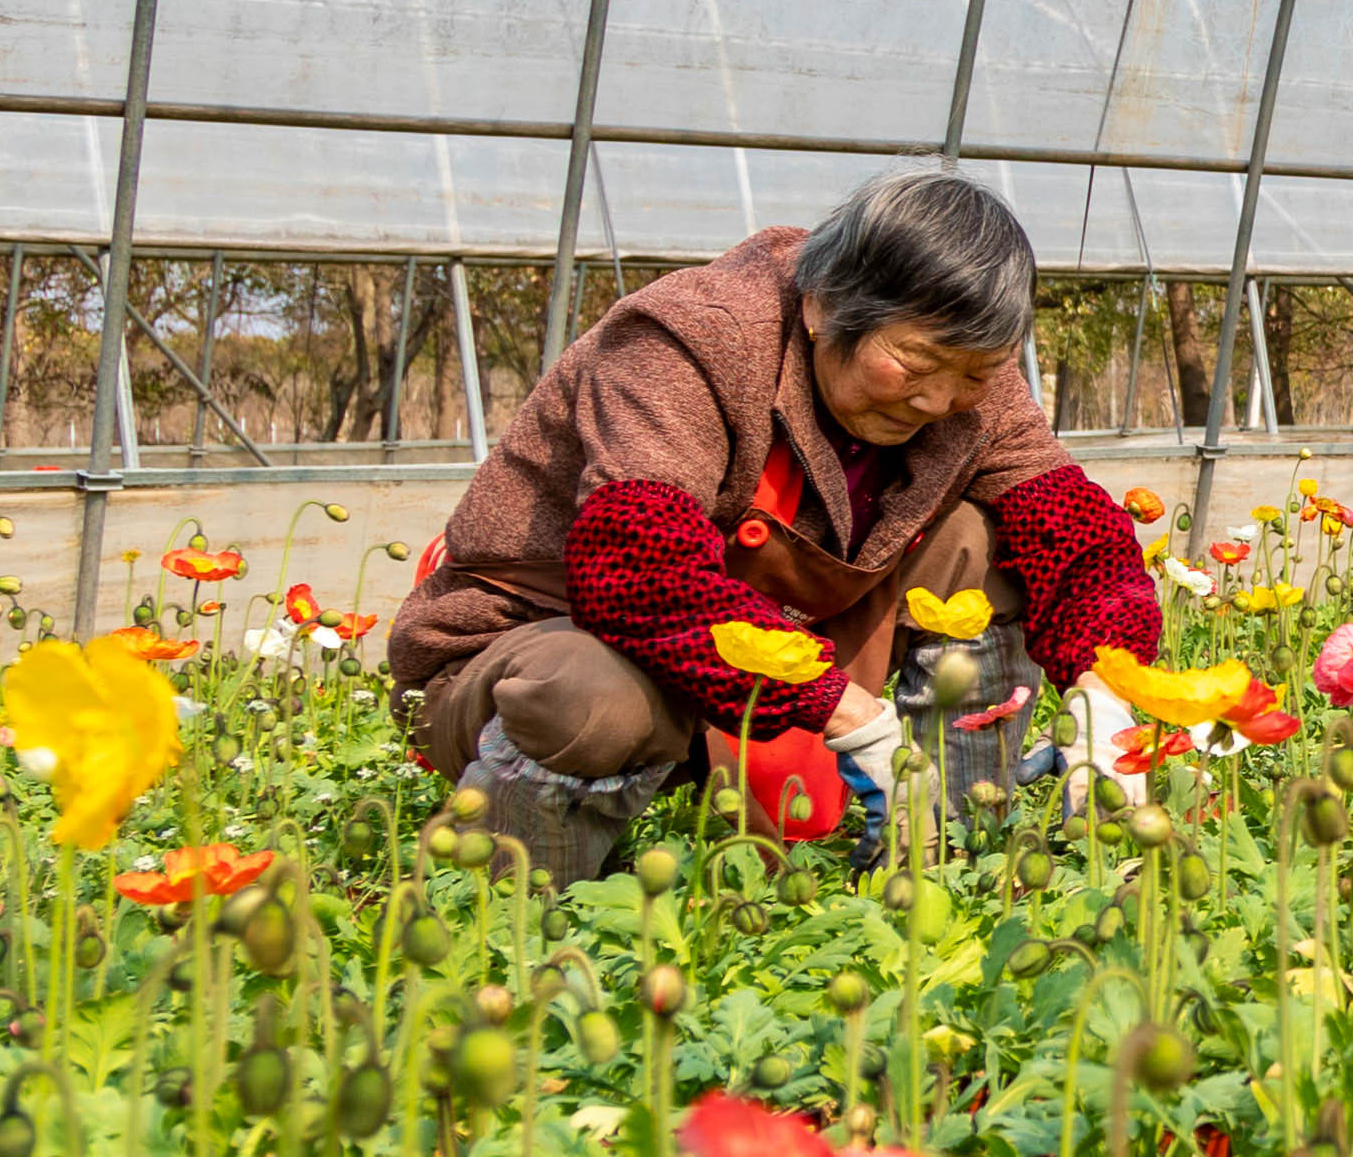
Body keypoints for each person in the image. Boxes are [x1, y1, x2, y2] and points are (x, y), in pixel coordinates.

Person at [385, 171, 1163, 878]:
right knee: (596, 699)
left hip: (765, 655)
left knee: (984, 544)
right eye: (918, 363)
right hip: (541, 645)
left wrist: (1109, 698)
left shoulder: (967, 381)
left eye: (976, 374)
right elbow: (639, 571)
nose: (938, 399)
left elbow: (1076, 532)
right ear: (825, 307)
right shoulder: (691, 340)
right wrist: (849, 714)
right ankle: (501, 916)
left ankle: (939, 852)